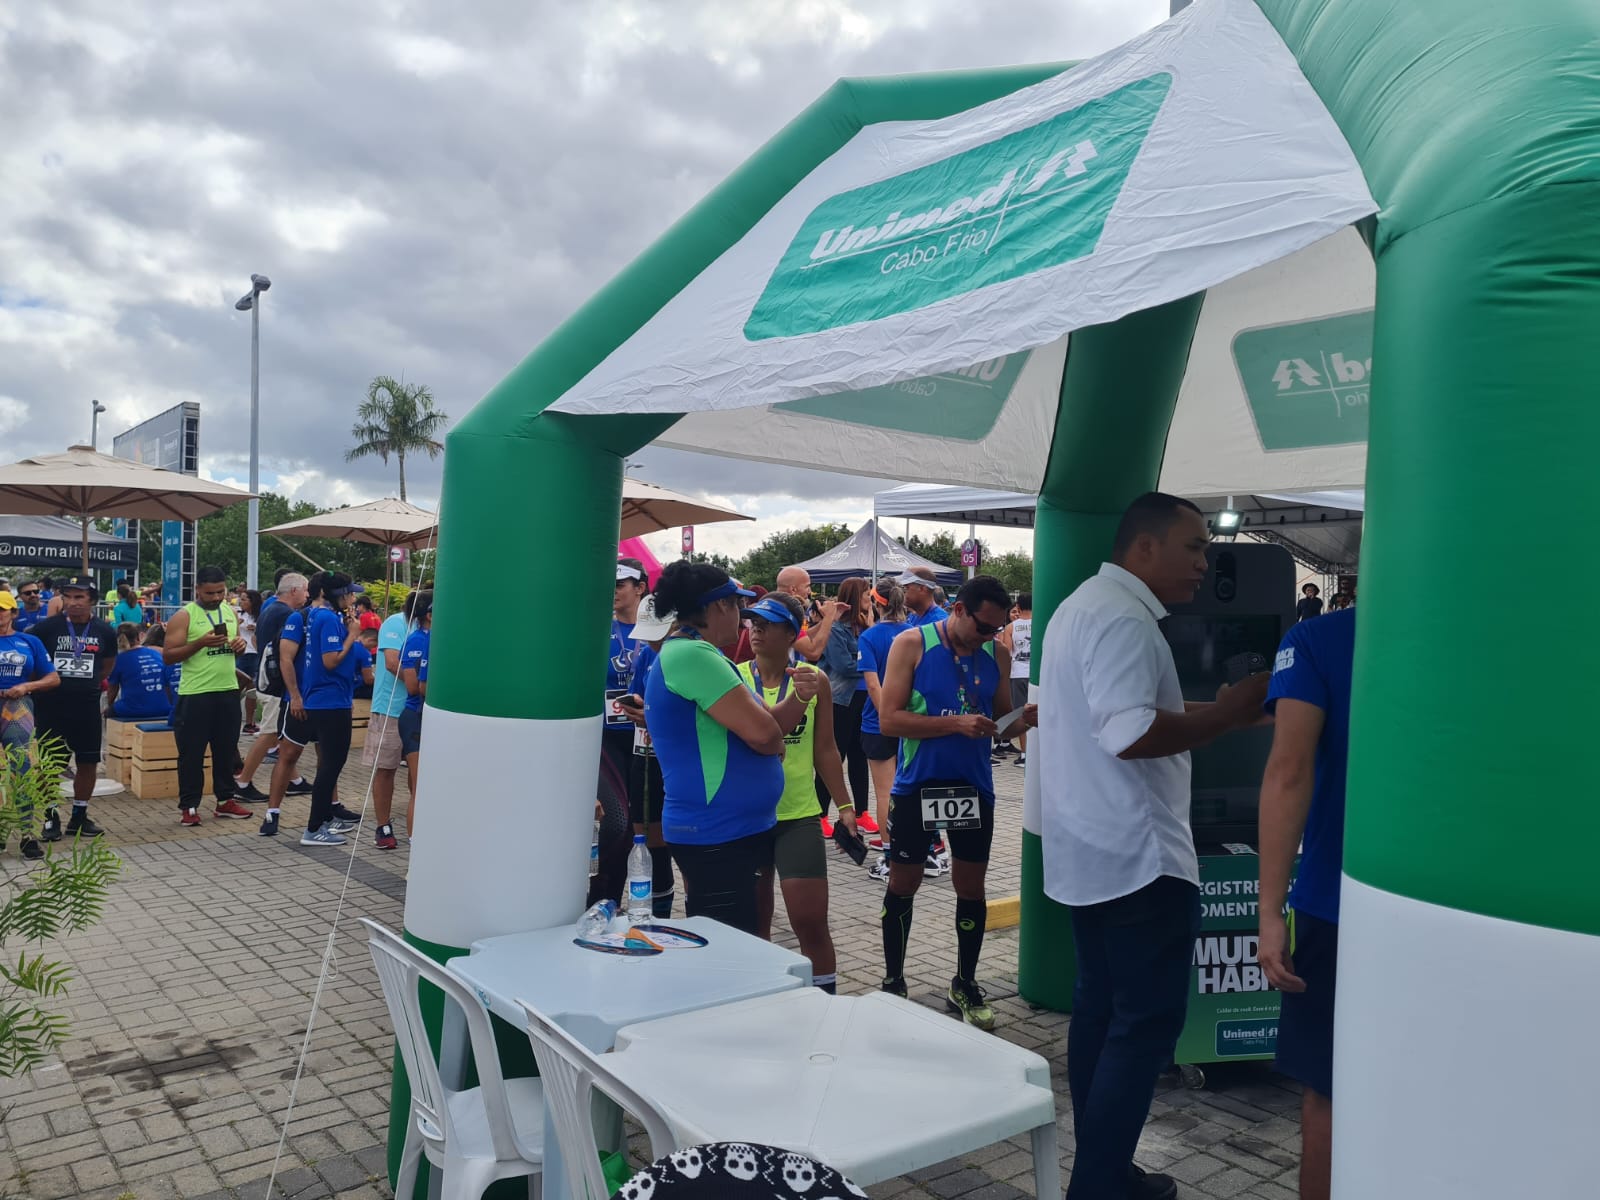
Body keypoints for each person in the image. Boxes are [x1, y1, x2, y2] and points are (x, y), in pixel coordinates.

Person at [1036, 492, 1271, 1200]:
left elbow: (1123, 714)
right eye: (1194, 546)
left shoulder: (1083, 607)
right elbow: (1132, 732)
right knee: (1143, 1027)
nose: (1205, 563)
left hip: (1090, 850)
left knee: (1101, 1012)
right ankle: (1099, 1185)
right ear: (1145, 546)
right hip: (1139, 858)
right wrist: (1222, 715)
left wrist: (1224, 716)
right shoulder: (1124, 619)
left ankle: (1104, 1171)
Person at [877, 574, 1030, 1030]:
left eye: (996, 629)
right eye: (983, 627)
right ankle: (893, 981)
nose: (989, 636)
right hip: (918, 784)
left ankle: (964, 983)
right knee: (904, 882)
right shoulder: (911, 644)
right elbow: (889, 720)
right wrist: (955, 724)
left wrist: (1025, 719)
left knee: (971, 888)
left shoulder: (997, 653)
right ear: (959, 609)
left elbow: (1001, 723)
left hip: (972, 786)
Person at [1258, 604, 1355, 1200]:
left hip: (1337, 902)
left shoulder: (1319, 640)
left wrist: (1269, 912)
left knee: (1329, 1089)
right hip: (1464, 906)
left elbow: (1289, 772)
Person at [644, 562, 788, 934]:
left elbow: (766, 726)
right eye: (739, 606)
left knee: (737, 941)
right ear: (720, 605)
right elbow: (765, 734)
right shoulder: (692, 655)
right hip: (716, 831)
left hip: (726, 829)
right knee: (729, 948)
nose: (743, 618)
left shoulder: (695, 652)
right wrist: (772, 742)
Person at [738, 592, 855, 993]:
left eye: (767, 624)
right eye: (753, 622)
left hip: (799, 815)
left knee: (810, 923)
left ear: (792, 633)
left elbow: (826, 748)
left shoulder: (813, 678)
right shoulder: (734, 677)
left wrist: (845, 806)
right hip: (748, 817)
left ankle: (826, 1002)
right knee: (754, 924)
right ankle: (761, 999)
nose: (756, 630)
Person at [278, 572, 365, 847]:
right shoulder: (327, 618)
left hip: (323, 698)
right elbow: (330, 660)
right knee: (331, 766)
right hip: (330, 701)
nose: (353, 599)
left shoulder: (317, 615)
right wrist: (353, 636)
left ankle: (325, 819)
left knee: (328, 764)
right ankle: (314, 828)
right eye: (349, 594)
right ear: (334, 595)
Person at [29, 576, 118, 842]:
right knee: (49, 764)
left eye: (79, 597)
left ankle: (79, 816)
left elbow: (107, 666)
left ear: (92, 600)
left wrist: (86, 684)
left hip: (87, 707)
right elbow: (32, 662)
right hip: (51, 706)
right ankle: (50, 817)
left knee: (88, 762)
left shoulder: (104, 631)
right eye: (68, 596)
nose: (73, 602)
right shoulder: (46, 629)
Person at [164, 566, 254, 825]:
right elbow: (168, 656)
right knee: (191, 754)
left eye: (220, 592)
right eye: (209, 593)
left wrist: (239, 646)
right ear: (198, 590)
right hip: (195, 693)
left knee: (225, 751)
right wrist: (199, 643)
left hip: (227, 691)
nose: (216, 597)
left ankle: (225, 800)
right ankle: (189, 806)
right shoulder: (185, 616)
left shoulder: (230, 612)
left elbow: (234, 649)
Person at [614, 594, 677, 918]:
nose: (654, 643)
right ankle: (655, 916)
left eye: (659, 636)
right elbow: (638, 695)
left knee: (679, 845)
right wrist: (637, 708)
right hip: (645, 755)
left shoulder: (695, 656)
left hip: (678, 762)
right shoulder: (646, 655)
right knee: (648, 844)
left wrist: (653, 718)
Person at [240, 571, 315, 827]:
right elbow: (286, 654)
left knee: (281, 735)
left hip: (266, 679)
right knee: (270, 733)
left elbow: (257, 640)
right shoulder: (286, 614)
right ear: (294, 591)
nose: (307, 595)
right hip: (275, 685)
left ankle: (294, 780)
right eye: (305, 590)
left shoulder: (269, 609)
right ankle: (243, 781)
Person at [596, 560, 650, 902]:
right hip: (607, 737)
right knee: (617, 820)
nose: (613, 591)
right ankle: (603, 897)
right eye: (611, 584)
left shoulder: (655, 632)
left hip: (645, 737)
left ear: (640, 588)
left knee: (644, 825)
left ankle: (641, 900)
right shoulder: (598, 629)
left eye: (620, 585)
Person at [364, 588, 429, 850]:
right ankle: (383, 826)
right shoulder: (395, 623)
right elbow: (392, 663)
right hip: (390, 707)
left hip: (419, 711)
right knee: (386, 768)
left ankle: (418, 822)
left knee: (417, 771)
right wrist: (420, 684)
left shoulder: (432, 630)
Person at [0, 589, 59, 859]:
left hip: (18, 707)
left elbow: (53, 678)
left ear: (13, 613)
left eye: (2, 609)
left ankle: (27, 835)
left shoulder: (29, 641)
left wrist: (26, 686)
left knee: (22, 770)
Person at [859, 582, 911, 872]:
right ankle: (921, 851)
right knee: (910, 789)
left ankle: (891, 857)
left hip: (877, 723)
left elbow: (872, 684)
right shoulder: (915, 633)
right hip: (911, 722)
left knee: (884, 792)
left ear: (877, 604)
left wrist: (885, 716)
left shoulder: (869, 637)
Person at [816, 577, 873, 838]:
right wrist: (868, 664)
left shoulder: (866, 626)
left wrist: (862, 655)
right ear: (854, 596)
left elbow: (865, 659)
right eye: (866, 594)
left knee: (860, 757)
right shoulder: (836, 629)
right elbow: (843, 665)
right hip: (839, 701)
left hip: (863, 699)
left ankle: (862, 813)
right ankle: (820, 815)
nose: (870, 598)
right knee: (833, 757)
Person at [399, 599, 431, 829]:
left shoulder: (433, 638)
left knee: (419, 785)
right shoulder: (417, 640)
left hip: (427, 718)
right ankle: (413, 840)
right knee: (420, 788)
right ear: (429, 615)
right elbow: (414, 687)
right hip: (415, 717)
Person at [106, 624, 176, 721]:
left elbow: (112, 690)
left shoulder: (119, 659)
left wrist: (109, 706)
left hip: (134, 709)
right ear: (138, 637)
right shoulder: (156, 653)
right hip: (165, 708)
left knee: (107, 713)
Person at [774, 566, 844, 663]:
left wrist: (827, 620)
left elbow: (804, 635)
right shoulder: (782, 613)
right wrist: (828, 617)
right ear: (793, 589)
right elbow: (813, 652)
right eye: (807, 586)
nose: (810, 591)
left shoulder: (782, 608)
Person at [997, 593, 1033, 768]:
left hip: (1017, 673)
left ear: (1017, 606)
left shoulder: (1011, 627)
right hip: (1036, 675)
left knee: (1022, 714)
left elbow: (1007, 652)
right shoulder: (1041, 624)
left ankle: (1025, 754)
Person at [237, 589, 263, 732]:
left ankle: (249, 722)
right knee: (236, 688)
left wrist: (256, 628)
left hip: (254, 653)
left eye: (244, 599)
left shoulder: (260, 616)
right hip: (241, 654)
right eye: (240, 599)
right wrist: (236, 623)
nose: (241, 602)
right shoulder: (238, 615)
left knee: (251, 689)